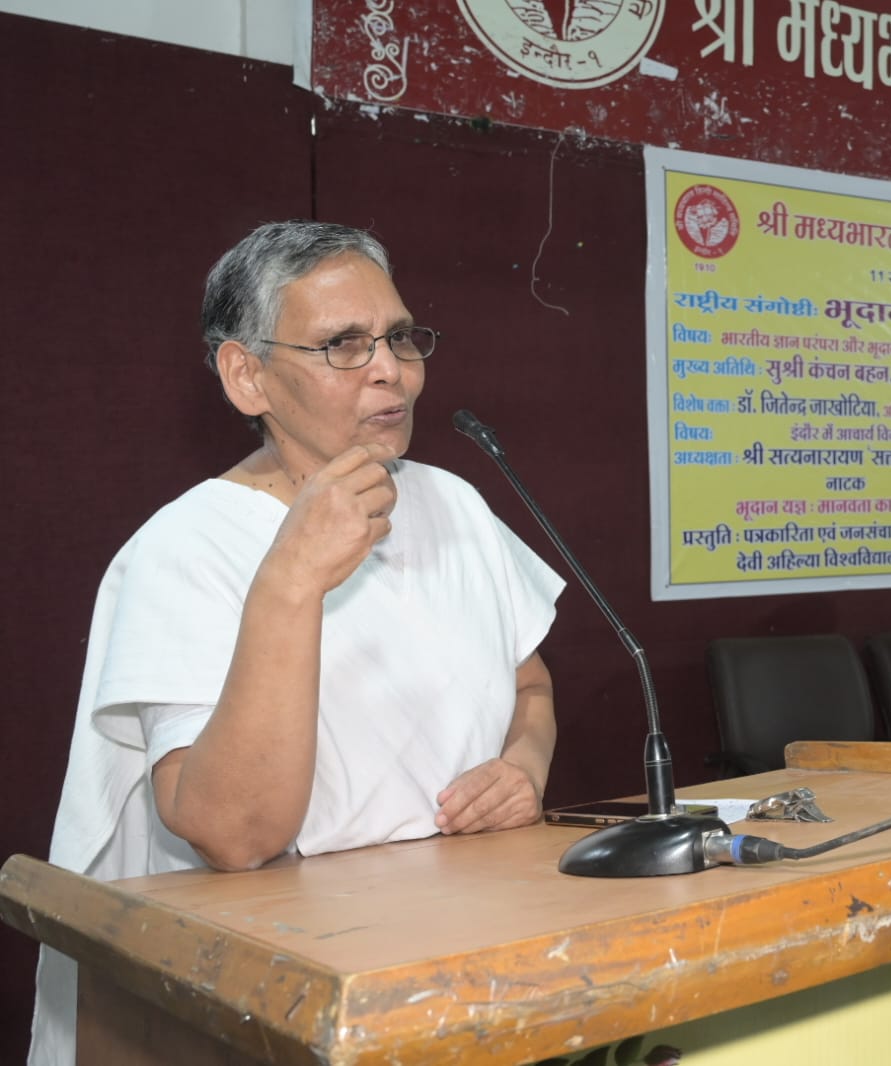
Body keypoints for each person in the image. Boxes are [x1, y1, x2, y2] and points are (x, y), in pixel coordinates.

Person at [30, 222, 566, 1066]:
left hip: (460, 944)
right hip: (262, 987)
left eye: (398, 337)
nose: (390, 370)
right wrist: (291, 580)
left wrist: (522, 771)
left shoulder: (453, 504)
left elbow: (529, 689)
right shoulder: (186, 547)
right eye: (343, 345)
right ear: (247, 376)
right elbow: (233, 836)